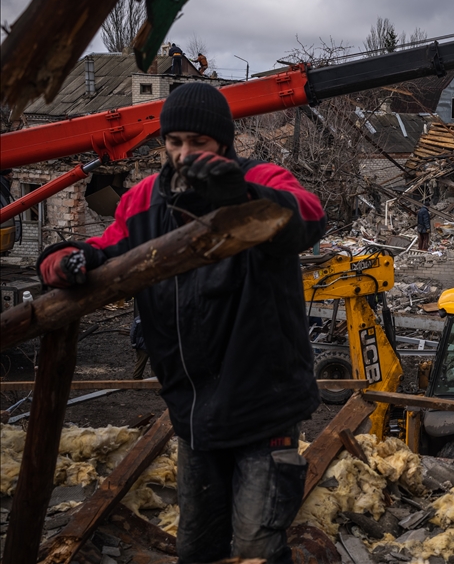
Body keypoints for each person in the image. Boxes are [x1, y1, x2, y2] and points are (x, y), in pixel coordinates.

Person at [36, 83, 326, 563]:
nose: (185, 154)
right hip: (194, 415)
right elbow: (107, 248)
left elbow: (310, 217)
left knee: (255, 549)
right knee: (197, 550)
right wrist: (61, 258)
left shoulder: (261, 177)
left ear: (223, 142)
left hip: (265, 408)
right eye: (175, 142)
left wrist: (241, 196)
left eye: (198, 142)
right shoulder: (145, 200)